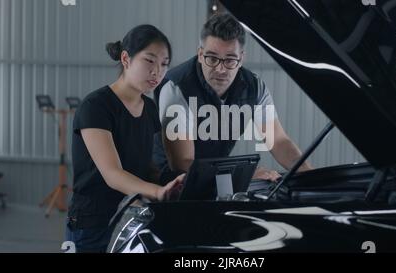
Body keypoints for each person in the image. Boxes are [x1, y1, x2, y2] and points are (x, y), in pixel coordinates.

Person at [153, 13, 312, 185]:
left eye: (230, 60)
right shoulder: (177, 88)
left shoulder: (255, 87)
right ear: (200, 54)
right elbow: (182, 163)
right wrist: (244, 173)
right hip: (170, 185)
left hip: (218, 179)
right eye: (212, 58)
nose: (221, 69)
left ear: (241, 58)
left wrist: (311, 175)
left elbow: (279, 141)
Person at [66, 24, 185, 253]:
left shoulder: (150, 108)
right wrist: (157, 191)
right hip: (91, 226)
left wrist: (178, 182)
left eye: (164, 64)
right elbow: (113, 174)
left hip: (130, 220)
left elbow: (145, 166)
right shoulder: (96, 106)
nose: (157, 72)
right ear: (126, 58)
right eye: (149, 61)